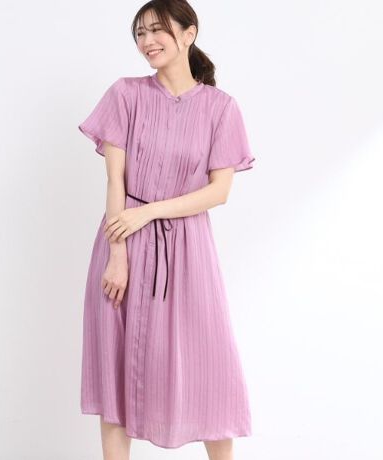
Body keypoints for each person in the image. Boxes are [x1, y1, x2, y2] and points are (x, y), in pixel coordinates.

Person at [78, 1, 256, 459]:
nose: (147, 41)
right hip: (122, 240)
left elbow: (219, 192)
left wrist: (151, 212)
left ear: (188, 33)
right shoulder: (125, 94)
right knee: (116, 370)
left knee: (209, 364)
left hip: (189, 250)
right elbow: (115, 180)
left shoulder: (221, 108)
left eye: (157, 30)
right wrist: (118, 256)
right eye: (140, 33)